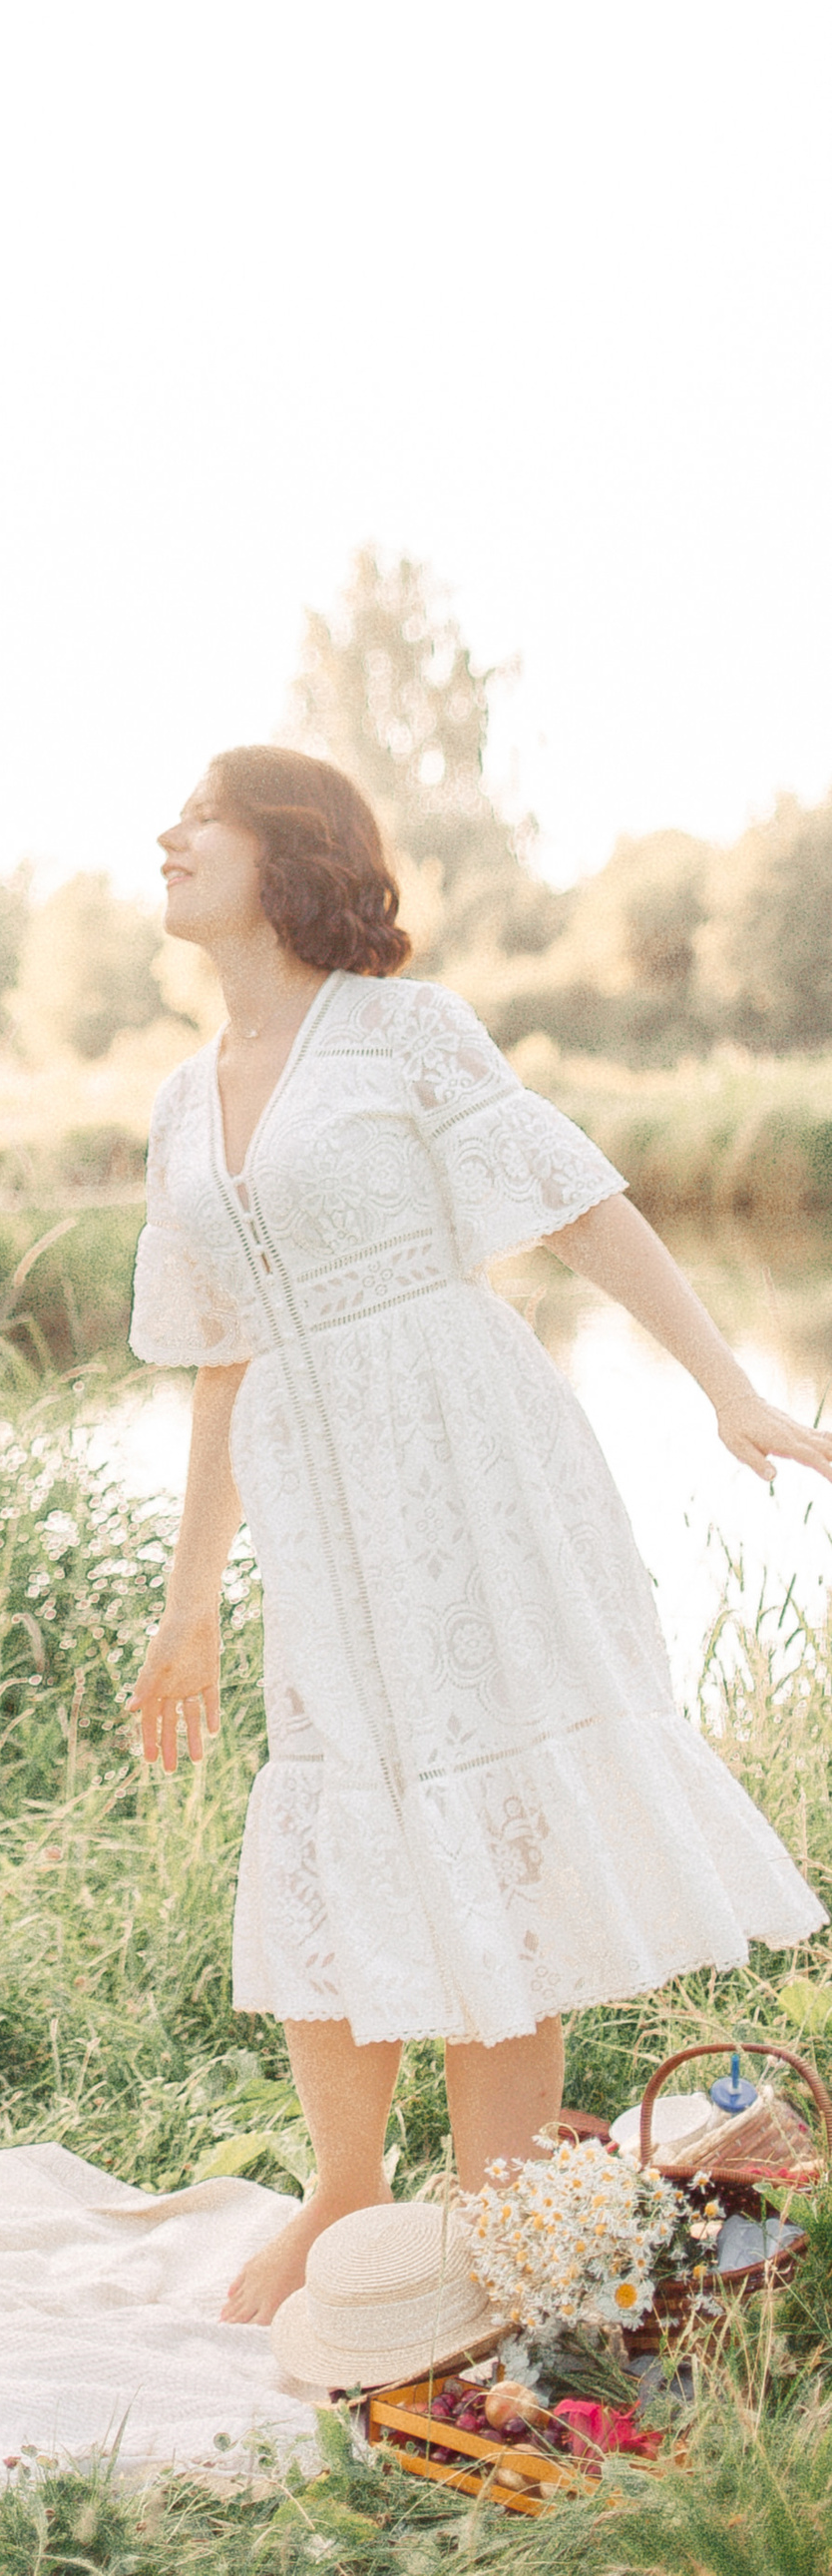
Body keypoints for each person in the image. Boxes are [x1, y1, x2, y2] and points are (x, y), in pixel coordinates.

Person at [129, 745, 828, 2327]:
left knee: (489, 1792)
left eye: (201, 818)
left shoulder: (403, 1030)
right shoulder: (181, 1097)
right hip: (316, 1488)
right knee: (333, 1808)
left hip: (460, 1453)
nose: (166, 838)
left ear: (286, 850)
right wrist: (189, 1602)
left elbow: (574, 1200)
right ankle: (345, 2189)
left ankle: (508, 2206)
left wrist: (728, 1388)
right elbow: (221, 1353)